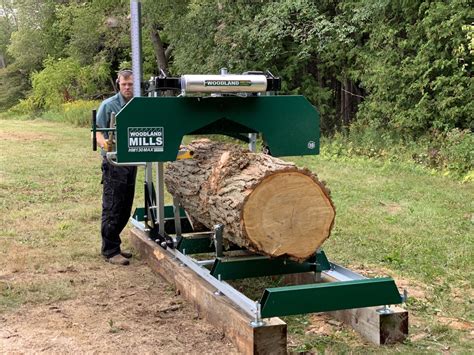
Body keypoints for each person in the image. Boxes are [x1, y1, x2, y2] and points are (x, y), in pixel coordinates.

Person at [95, 69, 137, 265]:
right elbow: (97, 133)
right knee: (113, 207)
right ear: (118, 84)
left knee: (125, 208)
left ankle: (115, 245)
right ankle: (110, 251)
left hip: (131, 161)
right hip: (114, 163)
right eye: (124, 84)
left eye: (130, 84)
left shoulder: (138, 105)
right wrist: (105, 144)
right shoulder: (108, 105)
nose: (127, 87)